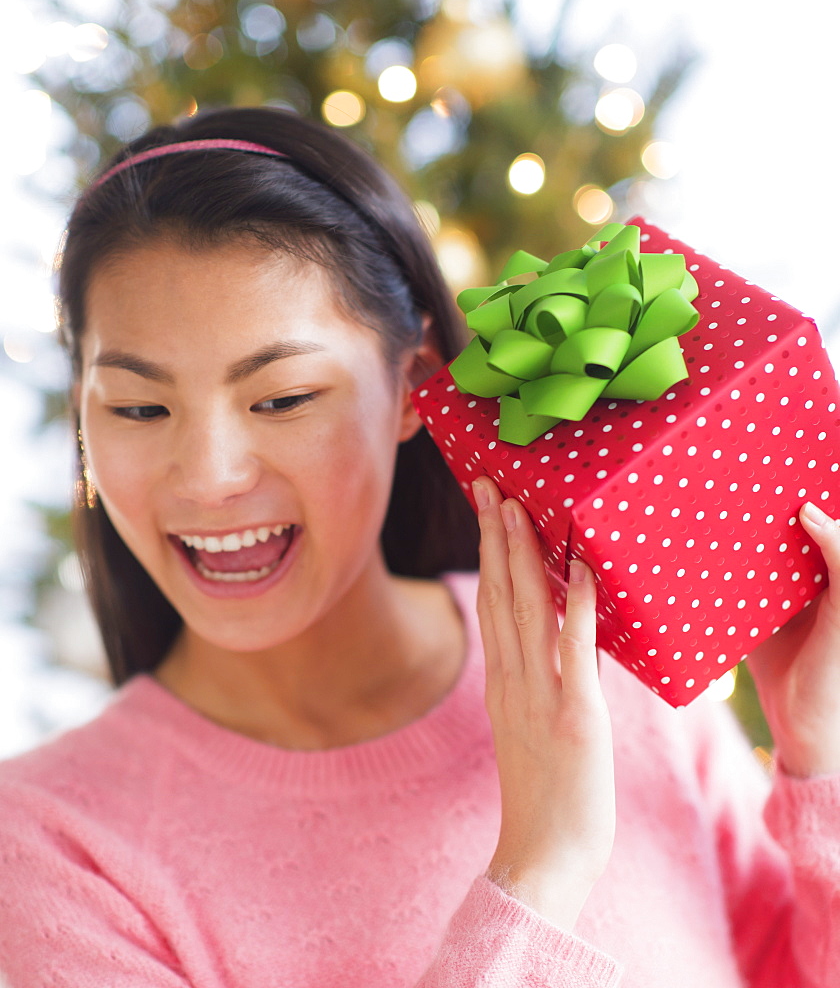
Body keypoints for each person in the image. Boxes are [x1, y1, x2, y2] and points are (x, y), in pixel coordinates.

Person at [0, 106, 838, 988]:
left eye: (282, 399)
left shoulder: (606, 668)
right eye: (138, 408)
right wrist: (538, 875)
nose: (207, 478)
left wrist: (819, 757)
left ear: (416, 388)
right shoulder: (54, 849)